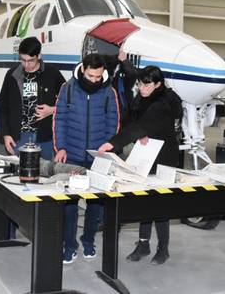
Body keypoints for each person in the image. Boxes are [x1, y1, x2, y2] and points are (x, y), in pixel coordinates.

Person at [98, 65, 183, 265]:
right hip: (146, 155)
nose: (142, 88)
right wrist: (140, 133)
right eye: (140, 84)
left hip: (164, 157)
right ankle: (143, 244)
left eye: (147, 85)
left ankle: (163, 248)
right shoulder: (142, 97)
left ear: (158, 84)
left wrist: (113, 142)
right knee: (144, 199)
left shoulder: (165, 102)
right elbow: (131, 120)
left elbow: (143, 124)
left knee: (160, 203)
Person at [54, 53, 119, 263]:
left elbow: (113, 123)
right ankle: (69, 245)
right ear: (83, 70)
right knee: (70, 205)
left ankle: (89, 240)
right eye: (90, 76)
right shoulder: (68, 89)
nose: (94, 80)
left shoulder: (109, 92)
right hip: (71, 155)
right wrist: (60, 147)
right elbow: (60, 119)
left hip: (97, 158)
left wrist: (107, 152)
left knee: (95, 204)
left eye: (98, 77)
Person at [0, 37, 65, 160]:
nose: (26, 64)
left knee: (45, 176)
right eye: (23, 60)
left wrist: (52, 110)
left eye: (31, 60)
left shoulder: (53, 74)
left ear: (39, 55)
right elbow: (3, 107)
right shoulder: (12, 75)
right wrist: (6, 134)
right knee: (18, 175)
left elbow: (69, 101)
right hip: (19, 138)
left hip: (46, 137)